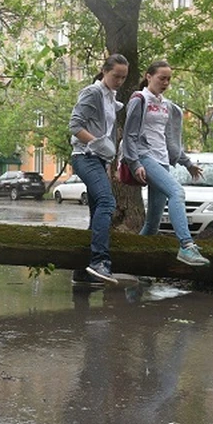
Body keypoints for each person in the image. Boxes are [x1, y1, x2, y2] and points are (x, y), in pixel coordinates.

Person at [119, 60, 210, 266]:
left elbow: (170, 141)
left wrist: (187, 163)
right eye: (162, 78)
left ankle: (132, 265)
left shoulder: (166, 106)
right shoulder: (139, 99)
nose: (166, 82)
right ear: (149, 76)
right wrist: (134, 164)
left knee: (152, 224)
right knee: (177, 192)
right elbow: (129, 135)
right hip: (144, 157)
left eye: (169, 79)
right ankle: (186, 246)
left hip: (161, 161)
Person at [68, 54, 129, 284]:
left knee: (97, 212)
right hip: (84, 157)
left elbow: (109, 133)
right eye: (116, 76)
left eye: (124, 77)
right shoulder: (92, 93)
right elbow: (74, 125)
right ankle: (100, 262)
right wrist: (96, 143)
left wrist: (110, 163)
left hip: (100, 160)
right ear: (104, 71)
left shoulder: (111, 97)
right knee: (107, 202)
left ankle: (82, 272)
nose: (120, 81)